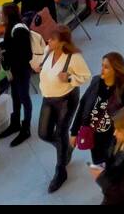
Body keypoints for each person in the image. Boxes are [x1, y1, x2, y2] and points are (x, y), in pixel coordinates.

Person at [38, 27, 91, 193]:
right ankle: (65, 148)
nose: (48, 41)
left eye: (52, 39)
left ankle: (61, 171)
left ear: (62, 42)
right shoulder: (48, 51)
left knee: (61, 132)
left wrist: (69, 78)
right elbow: (45, 69)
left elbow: (86, 76)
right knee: (43, 133)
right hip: (48, 97)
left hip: (66, 100)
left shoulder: (74, 58)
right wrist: (39, 68)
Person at [71, 52, 124, 168]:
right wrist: (74, 132)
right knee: (99, 163)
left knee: (114, 167)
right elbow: (83, 106)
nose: (102, 69)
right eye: (102, 65)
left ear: (116, 70)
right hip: (94, 137)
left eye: (106, 67)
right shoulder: (96, 82)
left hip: (113, 139)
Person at [0, 2, 35, 146]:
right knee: (16, 96)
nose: (0, 15)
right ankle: (15, 123)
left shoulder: (19, 29)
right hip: (15, 70)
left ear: (8, 14)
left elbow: (26, 53)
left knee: (24, 97)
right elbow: (13, 46)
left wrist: (8, 55)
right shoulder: (12, 27)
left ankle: (26, 128)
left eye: (2, 12)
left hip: (21, 70)